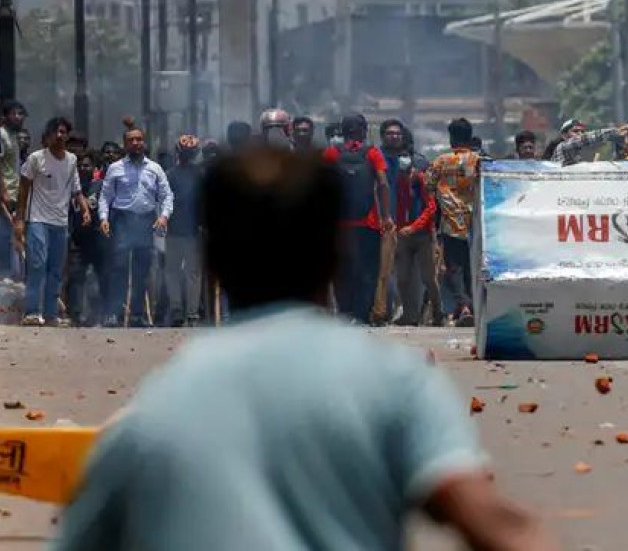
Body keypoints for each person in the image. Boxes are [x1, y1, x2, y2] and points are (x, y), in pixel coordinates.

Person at [53, 148, 562, 551]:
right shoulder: (393, 380)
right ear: (335, 256)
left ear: (214, 264)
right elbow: (499, 528)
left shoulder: (156, 406)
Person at [98, 120, 174, 328]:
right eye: (131, 140)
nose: (136, 143)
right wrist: (103, 218)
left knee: (142, 271)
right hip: (122, 221)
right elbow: (105, 196)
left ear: (144, 143)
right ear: (125, 144)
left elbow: (167, 195)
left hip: (145, 222)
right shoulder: (115, 169)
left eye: (139, 139)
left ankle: (137, 316)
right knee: (119, 269)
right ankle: (114, 314)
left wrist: (164, 216)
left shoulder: (155, 169)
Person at [16, 117, 91, 326]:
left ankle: (50, 315)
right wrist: (19, 221)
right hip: (37, 220)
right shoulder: (36, 159)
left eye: (63, 132)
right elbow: (23, 190)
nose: (60, 136)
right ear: (48, 136)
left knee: (56, 269)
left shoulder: (72, 160)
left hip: (60, 223)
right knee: (38, 265)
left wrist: (84, 207)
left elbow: (77, 189)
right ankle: (31, 312)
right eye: (56, 132)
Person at [322, 114, 394, 324]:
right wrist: (386, 215)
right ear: (362, 130)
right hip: (368, 224)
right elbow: (382, 183)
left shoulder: (331, 153)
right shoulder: (372, 153)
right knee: (367, 271)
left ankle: (345, 313)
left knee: (342, 271)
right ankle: (361, 315)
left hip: (339, 226)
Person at [382, 120, 437, 326]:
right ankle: (399, 312)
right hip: (391, 225)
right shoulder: (380, 160)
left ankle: (426, 314)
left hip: (418, 229)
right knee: (395, 274)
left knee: (423, 277)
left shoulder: (420, 165)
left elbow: (430, 201)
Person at [428, 119, 480, 327]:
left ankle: (464, 305)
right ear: (469, 137)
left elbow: (428, 185)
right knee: (472, 267)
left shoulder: (440, 161)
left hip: (450, 223)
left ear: (451, 138)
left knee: (454, 267)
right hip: (476, 222)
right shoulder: (479, 161)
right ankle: (471, 307)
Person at [160, 135, 206, 327]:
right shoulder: (198, 175)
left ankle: (183, 311)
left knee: (177, 272)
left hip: (187, 231)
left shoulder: (171, 174)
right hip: (182, 231)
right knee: (189, 273)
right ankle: (187, 313)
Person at [65, 150, 107, 327]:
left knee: (102, 278)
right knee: (75, 279)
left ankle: (103, 314)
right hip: (78, 241)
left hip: (98, 241)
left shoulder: (102, 186)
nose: (83, 168)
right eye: (80, 166)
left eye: (87, 165)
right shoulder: (71, 188)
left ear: (94, 168)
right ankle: (75, 316)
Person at [0, 99, 26, 281]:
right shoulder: (1, 135)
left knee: (14, 236)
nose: (19, 117)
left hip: (14, 194)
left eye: (21, 114)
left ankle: (15, 276)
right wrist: (3, 191)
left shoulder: (13, 136)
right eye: (15, 114)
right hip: (5, 195)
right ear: (5, 116)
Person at [548, 119, 628, 166]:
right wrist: (616, 131)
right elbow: (587, 138)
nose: (580, 134)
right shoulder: (562, 147)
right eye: (575, 131)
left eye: (583, 131)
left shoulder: (585, 153)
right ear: (565, 136)